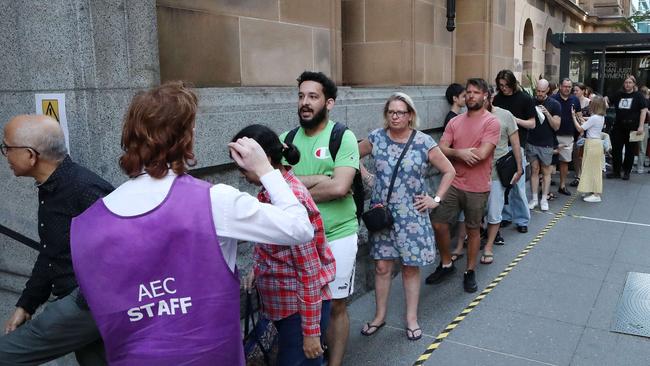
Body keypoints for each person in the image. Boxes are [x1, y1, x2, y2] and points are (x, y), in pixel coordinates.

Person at [70, 82, 316, 365]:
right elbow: (300, 228)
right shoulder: (214, 201)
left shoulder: (88, 223)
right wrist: (265, 170)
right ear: (186, 137)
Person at [0, 115, 113, 365]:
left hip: (86, 303)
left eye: (7, 147)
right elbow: (51, 253)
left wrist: (84, 304)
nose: (5, 154)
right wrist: (27, 304)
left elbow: (122, 251)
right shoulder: (50, 186)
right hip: (81, 303)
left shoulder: (85, 188)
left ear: (31, 155)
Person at [235, 124, 336, 365]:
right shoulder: (271, 191)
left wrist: (311, 332)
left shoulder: (290, 200)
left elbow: (309, 272)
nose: (240, 172)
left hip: (299, 314)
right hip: (285, 308)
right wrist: (257, 270)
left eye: (242, 164)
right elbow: (277, 247)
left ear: (265, 159)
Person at [357, 93, 455, 340]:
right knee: (381, 266)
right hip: (383, 214)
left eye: (400, 112)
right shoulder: (376, 138)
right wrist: (368, 177)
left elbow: (449, 170)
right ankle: (380, 316)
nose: (395, 116)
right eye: (391, 112)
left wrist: (436, 200)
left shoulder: (423, 142)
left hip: (413, 215)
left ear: (410, 115)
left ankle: (411, 318)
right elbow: (349, 156)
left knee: (410, 268)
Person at [280, 71, 359, 366]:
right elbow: (274, 189)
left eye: (312, 97)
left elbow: (340, 188)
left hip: (337, 235)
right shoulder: (286, 140)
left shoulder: (342, 137)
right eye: (301, 96)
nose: (305, 102)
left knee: (335, 304)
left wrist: (294, 185)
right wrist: (319, 178)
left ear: (329, 103)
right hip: (298, 240)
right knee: (304, 307)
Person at [427, 78, 500, 293]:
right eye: (468, 92)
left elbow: (483, 154)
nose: (470, 96)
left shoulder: (491, 122)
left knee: (473, 229)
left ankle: (470, 271)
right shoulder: (455, 122)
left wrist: (458, 151)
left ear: (485, 95)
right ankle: (447, 263)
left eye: (476, 92)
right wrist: (459, 153)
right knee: (438, 223)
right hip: (453, 182)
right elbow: (441, 148)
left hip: (477, 187)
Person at [480, 88, 522, 265]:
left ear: (491, 97)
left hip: (498, 172)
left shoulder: (505, 116)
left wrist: (519, 168)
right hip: (476, 172)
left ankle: (488, 246)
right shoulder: (469, 116)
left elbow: (515, 143)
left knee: (494, 211)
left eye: (483, 97)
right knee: (476, 212)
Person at [493, 70, 535, 234]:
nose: (503, 88)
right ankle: (505, 216)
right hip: (500, 146)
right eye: (500, 85)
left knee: (517, 185)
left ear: (512, 84)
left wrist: (512, 120)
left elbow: (532, 123)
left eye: (506, 85)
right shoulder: (497, 99)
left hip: (517, 146)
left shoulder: (525, 98)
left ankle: (522, 219)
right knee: (501, 185)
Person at [528, 79, 561, 211]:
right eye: (538, 91)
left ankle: (544, 199)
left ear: (548, 90)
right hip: (532, 141)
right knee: (534, 170)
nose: (540, 94)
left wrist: (547, 113)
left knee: (546, 171)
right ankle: (535, 198)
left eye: (542, 91)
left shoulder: (554, 104)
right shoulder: (531, 101)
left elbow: (556, 126)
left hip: (547, 143)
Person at [606, 75, 648, 180]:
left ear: (634, 84)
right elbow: (608, 101)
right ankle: (616, 171)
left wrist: (641, 126)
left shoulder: (638, 96)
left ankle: (626, 171)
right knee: (616, 149)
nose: (627, 84)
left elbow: (643, 110)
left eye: (630, 82)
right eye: (626, 82)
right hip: (618, 126)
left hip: (633, 126)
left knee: (630, 150)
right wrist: (604, 100)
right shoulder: (619, 94)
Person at [551, 78, 582, 195]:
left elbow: (579, 117)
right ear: (560, 86)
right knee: (548, 163)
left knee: (565, 162)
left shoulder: (575, 100)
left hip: (568, 135)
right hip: (553, 135)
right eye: (565, 86)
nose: (567, 89)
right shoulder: (553, 99)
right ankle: (545, 188)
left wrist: (581, 132)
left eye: (569, 87)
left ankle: (562, 185)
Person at [573, 96, 607, 202]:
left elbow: (580, 128)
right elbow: (587, 121)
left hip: (592, 143)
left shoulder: (595, 118)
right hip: (594, 143)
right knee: (592, 168)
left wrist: (574, 117)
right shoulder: (600, 117)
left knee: (593, 169)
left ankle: (596, 194)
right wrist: (580, 118)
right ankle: (593, 191)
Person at [571, 82, 592, 187]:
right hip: (574, 129)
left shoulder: (589, 102)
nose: (575, 92)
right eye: (574, 90)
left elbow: (594, 117)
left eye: (577, 90)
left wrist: (582, 118)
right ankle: (577, 174)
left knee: (581, 154)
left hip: (585, 130)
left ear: (583, 91)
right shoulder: (572, 101)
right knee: (575, 153)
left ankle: (583, 175)